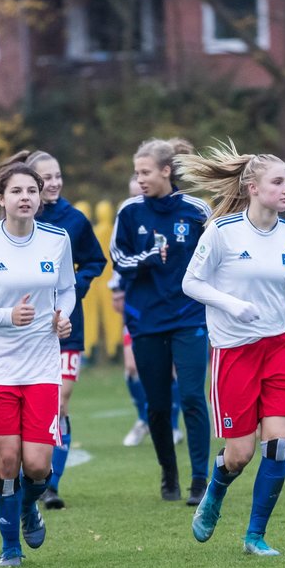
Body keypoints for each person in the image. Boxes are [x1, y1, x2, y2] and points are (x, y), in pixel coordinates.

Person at [179, 142, 285, 556]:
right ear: (252, 187)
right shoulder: (223, 232)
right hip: (233, 350)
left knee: (278, 442)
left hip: (279, 345)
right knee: (240, 454)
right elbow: (191, 283)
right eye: (278, 182)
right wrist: (230, 304)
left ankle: (255, 536)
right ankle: (215, 491)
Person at [0, 162, 75, 567]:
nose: (26, 197)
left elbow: (67, 289)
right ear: (1, 198)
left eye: (32, 191)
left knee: (38, 466)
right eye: (17, 191)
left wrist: (63, 316)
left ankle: (27, 506)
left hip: (42, 365)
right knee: (8, 461)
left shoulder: (57, 239)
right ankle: (10, 548)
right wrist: (7, 316)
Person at [111, 137, 212, 504]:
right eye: (136, 173)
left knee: (191, 396)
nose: (139, 179)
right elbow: (119, 261)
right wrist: (150, 256)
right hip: (146, 321)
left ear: (167, 171)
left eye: (145, 172)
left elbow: (216, 258)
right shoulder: (129, 213)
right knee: (157, 404)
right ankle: (168, 472)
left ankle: (200, 480)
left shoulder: (197, 210)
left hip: (189, 316)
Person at [12, 150, 106, 508]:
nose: (53, 183)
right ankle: (23, 472)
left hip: (65, 328)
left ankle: (51, 483)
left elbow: (96, 260)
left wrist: (74, 288)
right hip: (23, 332)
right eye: (45, 178)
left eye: (57, 175)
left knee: (59, 402)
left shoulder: (74, 220)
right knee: (26, 408)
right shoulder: (15, 219)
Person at [113, 175, 183, 448]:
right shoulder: (127, 224)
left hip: (169, 310)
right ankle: (143, 419)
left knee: (171, 371)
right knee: (132, 367)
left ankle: (173, 426)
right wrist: (117, 289)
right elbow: (118, 267)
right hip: (135, 312)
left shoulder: (166, 224)